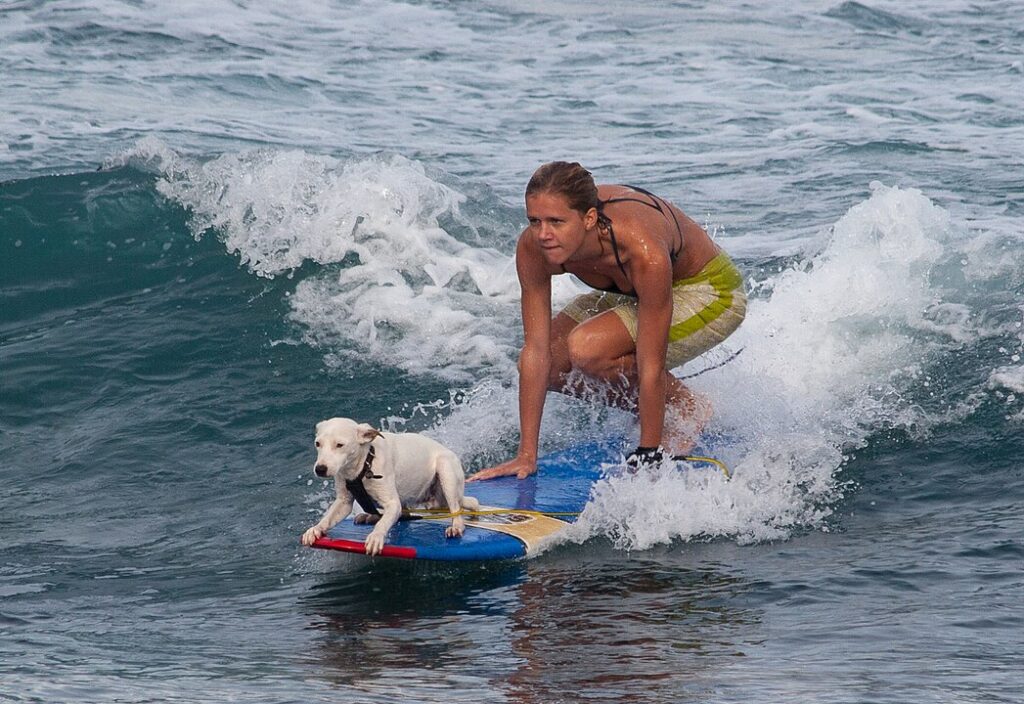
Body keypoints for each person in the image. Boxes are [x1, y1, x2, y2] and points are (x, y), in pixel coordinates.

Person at [468, 162, 745, 482]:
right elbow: (536, 351)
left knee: (587, 348)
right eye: (534, 221)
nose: (543, 234)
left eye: (556, 222)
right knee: (554, 364)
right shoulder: (534, 248)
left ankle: (686, 407)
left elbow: (650, 363)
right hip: (631, 291)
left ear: (588, 218)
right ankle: (663, 408)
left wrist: (649, 453)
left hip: (708, 292)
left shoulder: (641, 249)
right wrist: (525, 456)